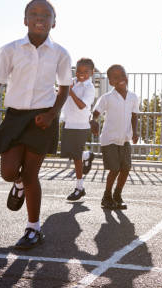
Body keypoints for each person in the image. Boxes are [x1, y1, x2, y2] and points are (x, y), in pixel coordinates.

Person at [0, 0, 72, 249]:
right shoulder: (10, 49)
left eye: (46, 14)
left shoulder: (61, 53)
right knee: (8, 171)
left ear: (54, 22)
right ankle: (17, 184)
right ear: (25, 19)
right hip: (15, 116)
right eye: (34, 13)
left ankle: (33, 229)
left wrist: (52, 115)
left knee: (31, 173)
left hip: (43, 118)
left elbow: (63, 89)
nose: (40, 18)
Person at [90, 64, 139, 210]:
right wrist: (93, 122)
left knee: (126, 168)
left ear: (127, 76)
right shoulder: (107, 98)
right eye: (116, 77)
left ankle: (117, 195)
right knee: (115, 168)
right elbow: (96, 113)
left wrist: (135, 132)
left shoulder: (133, 97)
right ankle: (107, 196)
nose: (121, 79)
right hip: (109, 138)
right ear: (110, 82)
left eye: (123, 75)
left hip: (124, 139)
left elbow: (135, 116)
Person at [60, 58, 96, 201]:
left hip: (81, 126)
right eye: (79, 71)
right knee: (69, 154)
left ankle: (79, 188)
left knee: (75, 157)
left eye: (85, 72)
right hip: (68, 123)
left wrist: (71, 92)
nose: (81, 74)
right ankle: (86, 155)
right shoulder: (72, 82)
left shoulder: (90, 88)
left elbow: (82, 106)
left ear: (92, 73)